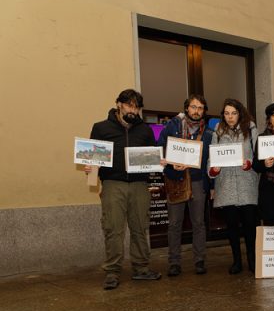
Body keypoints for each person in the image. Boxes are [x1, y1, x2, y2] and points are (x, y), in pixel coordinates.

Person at [87, 89, 161, 290]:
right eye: (129, 105)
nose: (133, 110)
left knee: (140, 227)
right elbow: (92, 158)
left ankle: (141, 268)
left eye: (136, 107)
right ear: (118, 104)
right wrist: (90, 167)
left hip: (139, 185)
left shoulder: (145, 130)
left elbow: (152, 159)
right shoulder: (101, 128)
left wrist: (158, 162)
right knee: (113, 228)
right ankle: (112, 271)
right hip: (112, 184)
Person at [158, 94, 213, 277]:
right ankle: (174, 262)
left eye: (200, 108)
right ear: (187, 108)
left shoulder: (208, 133)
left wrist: (211, 185)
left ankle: (199, 260)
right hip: (176, 180)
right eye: (193, 107)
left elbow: (211, 161)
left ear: (204, 111)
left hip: (198, 181)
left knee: (199, 223)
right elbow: (160, 149)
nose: (197, 111)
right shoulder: (172, 126)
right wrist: (169, 162)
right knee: (174, 224)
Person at [208, 98, 259, 274]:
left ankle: (252, 260)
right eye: (227, 113)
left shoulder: (250, 128)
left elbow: (257, 153)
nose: (230, 117)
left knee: (250, 226)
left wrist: (250, 163)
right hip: (226, 184)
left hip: (247, 183)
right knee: (232, 228)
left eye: (234, 113)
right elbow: (212, 156)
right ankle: (236, 260)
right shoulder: (217, 131)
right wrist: (213, 170)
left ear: (240, 113)